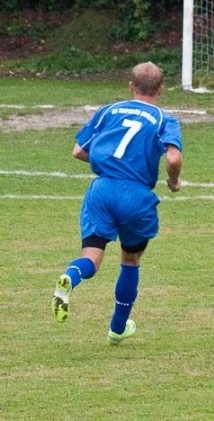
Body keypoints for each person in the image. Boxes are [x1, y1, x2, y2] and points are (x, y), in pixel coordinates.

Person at [51, 62, 183, 345]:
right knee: (130, 259)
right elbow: (173, 158)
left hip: (102, 190)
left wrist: (109, 163)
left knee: (91, 256)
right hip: (136, 196)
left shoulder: (110, 110)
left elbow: (78, 151)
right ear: (161, 89)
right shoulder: (164, 119)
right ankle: (117, 328)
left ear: (130, 86)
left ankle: (70, 277)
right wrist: (173, 182)